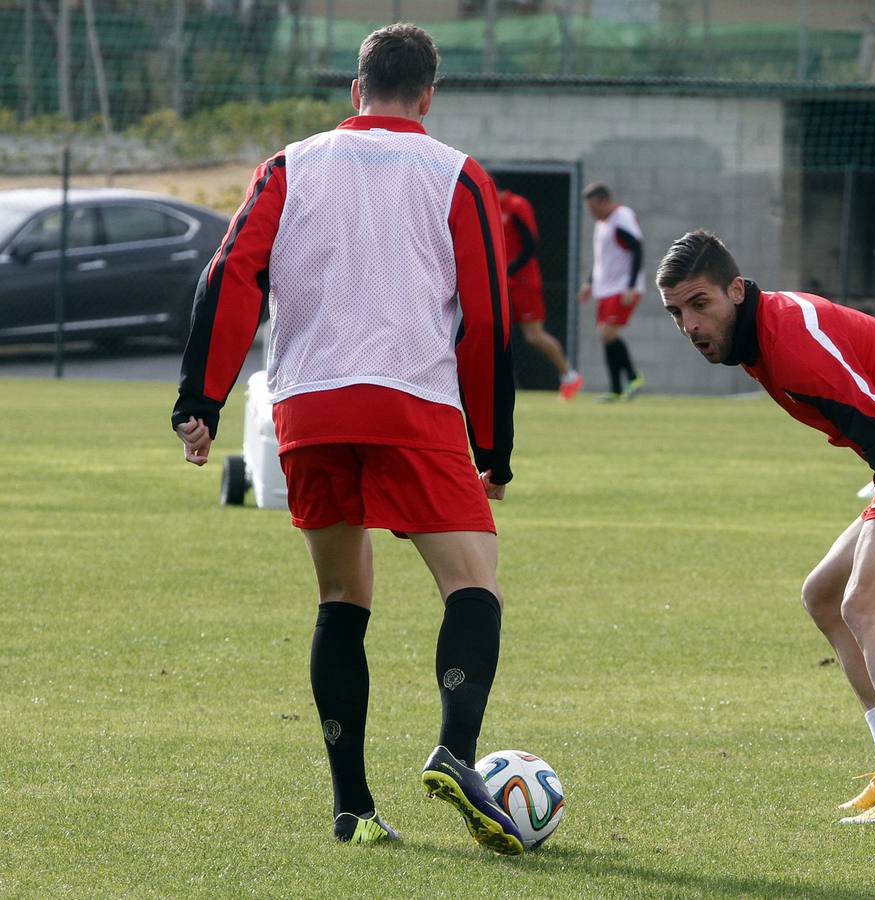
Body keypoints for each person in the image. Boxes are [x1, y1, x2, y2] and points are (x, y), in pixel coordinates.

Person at [171, 23, 527, 854]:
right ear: (428, 96)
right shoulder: (457, 173)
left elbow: (228, 276)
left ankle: (354, 808)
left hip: (309, 409)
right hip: (413, 405)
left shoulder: (289, 165)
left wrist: (203, 398)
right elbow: (488, 324)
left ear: (354, 90)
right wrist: (494, 445)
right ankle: (457, 753)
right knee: (473, 584)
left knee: (341, 598)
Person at [656, 230, 875, 825]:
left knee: (867, 604)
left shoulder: (791, 343)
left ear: (738, 291)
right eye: (677, 313)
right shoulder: (762, 334)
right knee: (823, 595)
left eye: (701, 304)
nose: (690, 325)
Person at [498, 187, 583, 399]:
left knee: (533, 335)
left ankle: (569, 375)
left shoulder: (517, 205)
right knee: (494, 331)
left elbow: (530, 244)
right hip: (503, 281)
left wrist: (510, 269)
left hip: (523, 281)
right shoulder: (492, 208)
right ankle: (494, 383)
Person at [577, 182, 645, 401]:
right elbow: (603, 259)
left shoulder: (621, 217)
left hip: (622, 287)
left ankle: (633, 377)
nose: (592, 212)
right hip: (605, 288)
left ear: (605, 201)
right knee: (605, 336)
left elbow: (637, 249)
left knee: (608, 333)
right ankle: (616, 389)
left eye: (594, 207)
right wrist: (590, 282)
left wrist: (631, 286)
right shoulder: (602, 223)